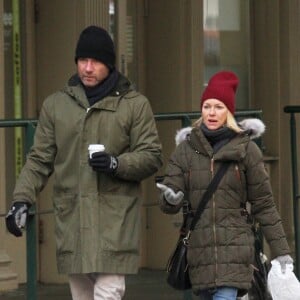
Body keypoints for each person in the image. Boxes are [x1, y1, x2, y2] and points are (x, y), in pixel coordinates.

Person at [5, 25, 163, 300]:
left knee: (108, 293)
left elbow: (152, 156)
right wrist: (21, 199)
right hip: (73, 221)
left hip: (115, 223)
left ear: (109, 65)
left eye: (95, 62)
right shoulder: (56, 105)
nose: (88, 68)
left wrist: (116, 164)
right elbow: (39, 159)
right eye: (82, 60)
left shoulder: (135, 105)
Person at [156, 71, 293, 300]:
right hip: (200, 254)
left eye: (218, 107)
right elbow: (170, 196)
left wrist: (281, 252)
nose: (211, 112)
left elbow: (264, 204)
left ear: (229, 111)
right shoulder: (186, 150)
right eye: (207, 106)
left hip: (236, 250)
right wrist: (170, 198)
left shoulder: (247, 150)